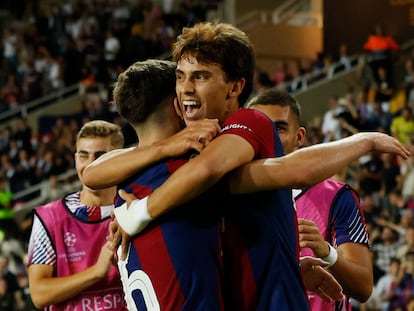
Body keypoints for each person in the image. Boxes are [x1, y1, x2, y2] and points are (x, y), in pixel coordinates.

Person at [107, 22, 408, 310]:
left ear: (235, 86)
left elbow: (263, 170)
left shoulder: (249, 122)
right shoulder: (186, 161)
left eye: (200, 77)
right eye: (181, 76)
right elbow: (95, 171)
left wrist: (138, 213)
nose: (185, 88)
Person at [84, 59, 343, 310]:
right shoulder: (188, 175)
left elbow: (91, 173)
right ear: (178, 105)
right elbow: (290, 170)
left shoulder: (126, 180)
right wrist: (365, 142)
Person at [246, 88, 373, 310]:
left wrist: (327, 253)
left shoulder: (336, 197)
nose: (269, 137)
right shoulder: (232, 198)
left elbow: (363, 287)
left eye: (279, 128)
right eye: (260, 129)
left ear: (299, 137)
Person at [26, 120, 127, 310]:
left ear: (118, 158)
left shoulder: (133, 208)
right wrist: (96, 273)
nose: (89, 164)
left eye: (100, 156)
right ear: (75, 159)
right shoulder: (49, 218)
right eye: (83, 155)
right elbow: (39, 294)